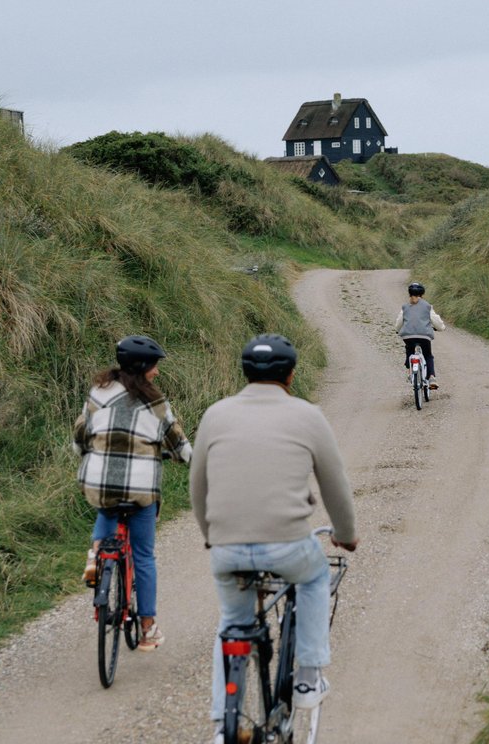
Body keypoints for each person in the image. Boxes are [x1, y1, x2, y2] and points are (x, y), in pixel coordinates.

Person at [190, 334, 358, 742]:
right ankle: (307, 675)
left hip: (226, 547)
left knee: (232, 621)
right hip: (288, 545)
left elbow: (198, 485)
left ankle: (220, 725)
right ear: (292, 375)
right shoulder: (307, 415)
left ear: (245, 371)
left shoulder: (216, 414)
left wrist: (211, 534)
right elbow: (335, 486)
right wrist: (346, 535)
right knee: (316, 577)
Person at [73, 334, 192, 651]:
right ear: (143, 368)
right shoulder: (155, 403)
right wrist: (189, 459)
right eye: (154, 367)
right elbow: (178, 443)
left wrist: (83, 449)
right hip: (140, 490)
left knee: (106, 508)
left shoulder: (98, 393)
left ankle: (96, 562)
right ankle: (148, 629)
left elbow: (81, 432)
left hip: (99, 483)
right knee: (143, 556)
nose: (156, 372)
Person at [396, 281, 447, 387]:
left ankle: (410, 371)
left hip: (408, 336)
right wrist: (441, 328)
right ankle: (432, 378)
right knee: (428, 355)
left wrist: (397, 330)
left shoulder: (405, 307)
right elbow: (436, 321)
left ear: (409, 294)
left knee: (409, 351)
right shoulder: (427, 306)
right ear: (422, 294)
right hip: (424, 336)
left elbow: (399, 323)